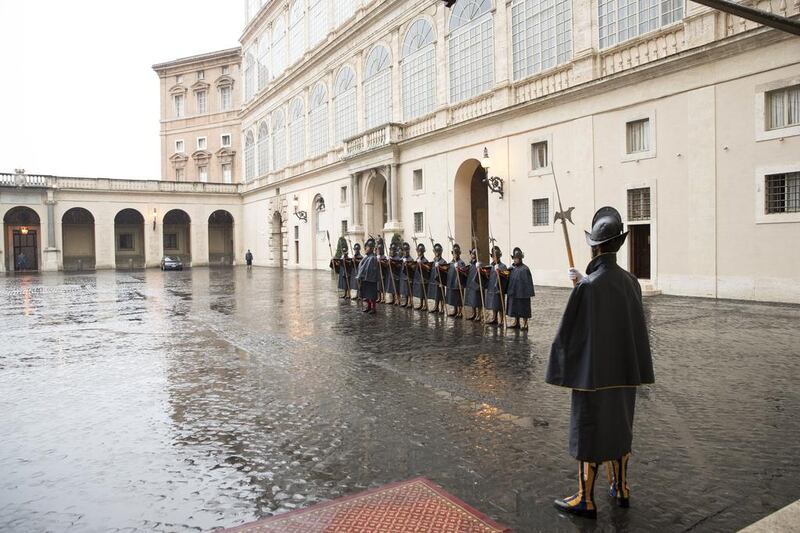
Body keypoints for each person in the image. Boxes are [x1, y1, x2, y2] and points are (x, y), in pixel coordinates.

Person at [547, 206, 654, 519]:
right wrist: (584, 283)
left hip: (592, 375)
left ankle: (585, 497)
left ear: (594, 246)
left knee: (589, 433)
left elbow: (572, 332)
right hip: (624, 373)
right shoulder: (632, 282)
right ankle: (621, 489)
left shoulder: (589, 287)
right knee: (620, 429)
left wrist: (582, 287)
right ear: (617, 245)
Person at [505, 247, 535, 329]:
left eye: (516, 258)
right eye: (514, 258)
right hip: (513, 292)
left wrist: (526, 293)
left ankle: (525, 323)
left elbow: (528, 282)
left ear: (520, 259)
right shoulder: (512, 268)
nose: (515, 260)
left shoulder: (525, 269)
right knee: (515, 307)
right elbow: (507, 278)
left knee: (523, 308)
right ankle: (516, 322)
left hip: (522, 293)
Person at [484, 246, 508, 326]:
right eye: (493, 257)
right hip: (491, 287)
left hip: (499, 288)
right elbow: (487, 276)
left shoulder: (503, 266)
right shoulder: (490, 266)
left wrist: (500, 271)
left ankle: (501, 320)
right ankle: (494, 318)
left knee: (500, 305)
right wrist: (486, 274)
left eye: (495, 257)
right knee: (493, 304)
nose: (494, 258)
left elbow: (506, 275)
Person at [356, 239, 380, 314]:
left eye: (367, 247)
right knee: (366, 294)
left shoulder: (373, 258)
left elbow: (368, 269)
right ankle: (369, 306)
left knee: (371, 294)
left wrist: (362, 275)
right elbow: (362, 267)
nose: (365, 249)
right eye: (365, 247)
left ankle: (373, 308)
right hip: (365, 278)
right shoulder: (366, 257)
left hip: (370, 279)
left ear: (371, 248)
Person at [446, 243, 466, 318]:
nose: (455, 255)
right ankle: (455, 310)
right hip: (452, 282)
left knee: (459, 298)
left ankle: (460, 312)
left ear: (459, 253)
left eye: (456, 253)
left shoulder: (461, 262)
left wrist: (459, 268)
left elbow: (463, 272)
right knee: (454, 298)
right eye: (454, 253)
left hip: (458, 283)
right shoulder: (451, 262)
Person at [464, 248, 484, 321]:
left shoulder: (479, 263)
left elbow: (483, 273)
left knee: (477, 300)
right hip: (470, 283)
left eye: (473, 254)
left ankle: (479, 314)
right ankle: (473, 313)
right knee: (472, 299)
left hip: (477, 283)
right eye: (471, 254)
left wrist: (479, 267)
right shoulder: (470, 264)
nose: (472, 255)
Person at [427, 243, 448, 314]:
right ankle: (436, 307)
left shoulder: (443, 261)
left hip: (440, 281)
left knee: (441, 295)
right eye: (435, 251)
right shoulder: (434, 261)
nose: (436, 253)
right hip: (434, 280)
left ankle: (442, 308)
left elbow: (445, 273)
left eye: (438, 251)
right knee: (436, 294)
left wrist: (442, 282)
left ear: (440, 252)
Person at [412, 243, 429, 311]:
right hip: (418, 278)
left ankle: (425, 305)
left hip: (424, 278)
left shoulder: (425, 260)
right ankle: (421, 304)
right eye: (418, 251)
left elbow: (427, 268)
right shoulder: (417, 259)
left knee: (424, 293)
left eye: (420, 251)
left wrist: (421, 264)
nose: (419, 253)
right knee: (420, 293)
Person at [397, 242, 414, 308]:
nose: (405, 252)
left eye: (407, 250)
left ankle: (410, 302)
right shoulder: (401, 259)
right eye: (404, 250)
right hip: (403, 276)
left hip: (408, 277)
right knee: (405, 290)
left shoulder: (411, 259)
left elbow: (413, 268)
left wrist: (408, 265)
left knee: (409, 291)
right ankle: (406, 302)